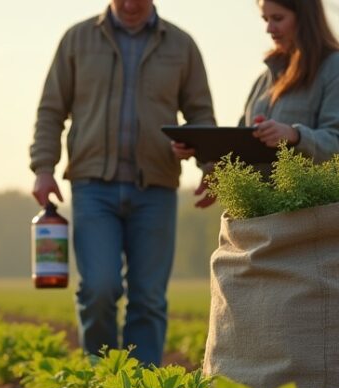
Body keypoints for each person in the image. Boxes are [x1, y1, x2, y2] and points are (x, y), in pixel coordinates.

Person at [30, 0, 215, 367]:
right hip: (92, 187)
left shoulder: (181, 45)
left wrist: (210, 164)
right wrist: (43, 167)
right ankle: (103, 381)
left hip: (157, 188)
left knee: (148, 297)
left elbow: (200, 114)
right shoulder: (77, 40)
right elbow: (51, 110)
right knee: (99, 288)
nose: (131, 4)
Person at [173, 0, 339, 185]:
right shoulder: (264, 81)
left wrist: (294, 136)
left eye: (278, 18)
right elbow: (240, 150)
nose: (269, 28)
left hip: (308, 213)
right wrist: (206, 160)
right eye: (266, 19)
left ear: (306, 18)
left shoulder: (336, 68)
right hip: (257, 213)